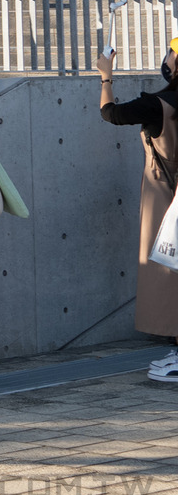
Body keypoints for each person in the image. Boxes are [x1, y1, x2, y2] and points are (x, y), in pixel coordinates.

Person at [97, 39, 178, 382]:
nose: (168, 56)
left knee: (170, 272)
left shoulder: (156, 104)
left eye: (173, 51)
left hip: (165, 196)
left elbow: (110, 113)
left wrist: (105, 77)